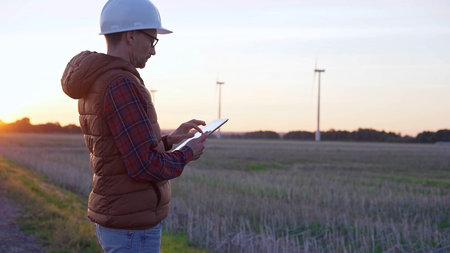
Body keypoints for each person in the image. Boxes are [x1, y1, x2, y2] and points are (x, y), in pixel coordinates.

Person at [61, 0, 207, 252]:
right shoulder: (120, 83)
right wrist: (187, 153)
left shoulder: (100, 79)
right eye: (152, 40)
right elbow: (144, 166)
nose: (153, 51)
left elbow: (121, 150)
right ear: (131, 36)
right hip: (131, 226)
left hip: (123, 218)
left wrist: (168, 141)